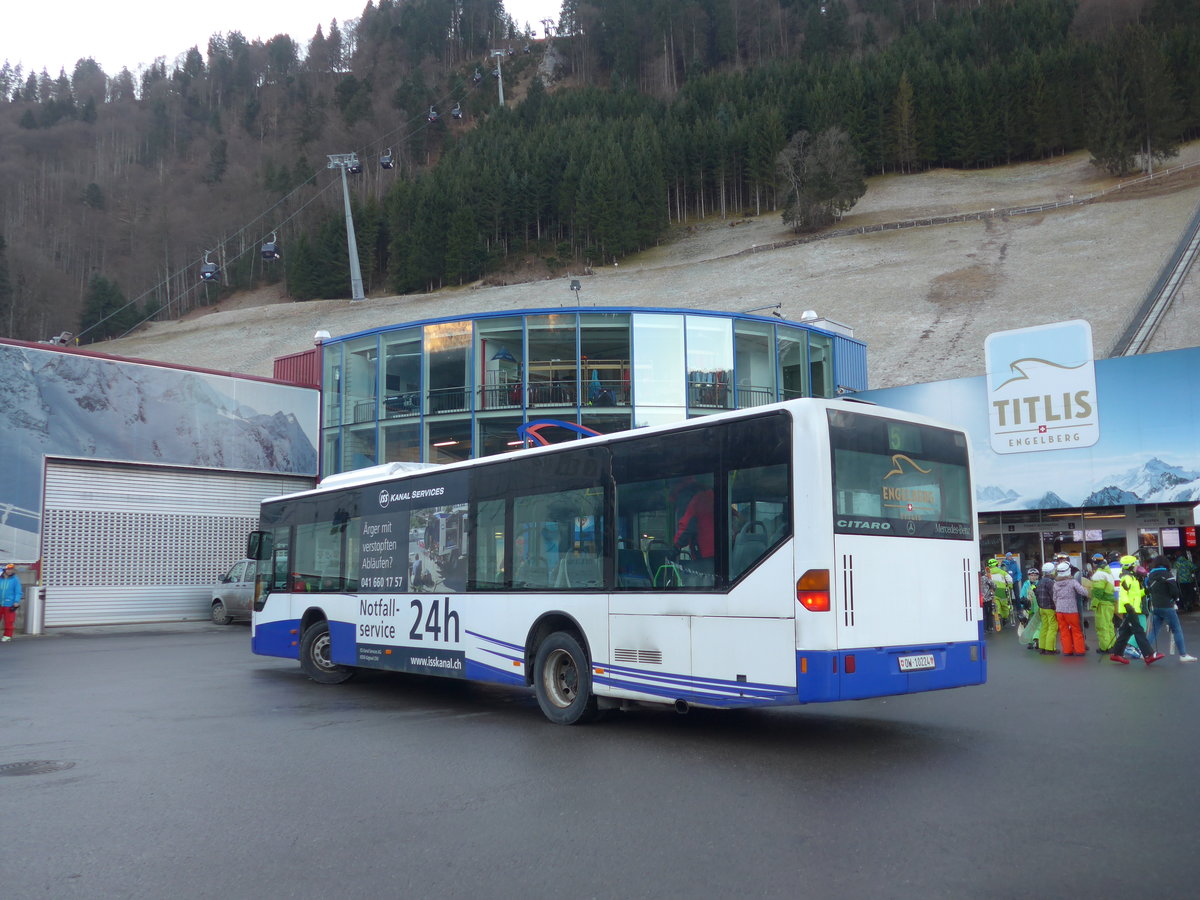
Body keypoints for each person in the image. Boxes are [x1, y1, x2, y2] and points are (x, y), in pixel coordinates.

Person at [1110, 555, 1162, 666]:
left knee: (1125, 633)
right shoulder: (1127, 578)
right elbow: (1123, 593)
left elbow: (1135, 594)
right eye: (1135, 564)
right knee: (1139, 631)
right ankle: (1149, 655)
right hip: (1130, 609)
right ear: (1130, 566)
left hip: (1132, 608)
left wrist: (1145, 591)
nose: (1137, 566)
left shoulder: (1132, 577)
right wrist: (1128, 606)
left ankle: (1116, 654)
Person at [1145, 555, 1197, 662]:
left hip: (1155, 607)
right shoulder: (1168, 574)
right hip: (1167, 607)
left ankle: (1144, 652)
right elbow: (1175, 591)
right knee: (1176, 629)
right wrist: (1174, 600)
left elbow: (1148, 589)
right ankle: (1183, 655)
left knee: (1153, 631)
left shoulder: (1150, 575)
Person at [1052, 561, 1089, 656]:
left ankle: (1067, 651)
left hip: (1059, 610)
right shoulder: (1072, 582)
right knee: (1076, 630)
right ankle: (1079, 651)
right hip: (1071, 610)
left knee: (1064, 631)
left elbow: (1054, 598)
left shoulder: (1055, 584)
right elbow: (1083, 592)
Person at [1088, 552, 1117, 655]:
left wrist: (1094, 604)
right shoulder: (1108, 572)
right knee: (1109, 625)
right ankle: (1112, 645)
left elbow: (1098, 592)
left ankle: (1105, 648)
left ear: (1094, 563)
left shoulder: (1099, 574)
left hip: (1102, 603)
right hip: (1109, 602)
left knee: (1102, 626)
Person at [1035, 562, 1059, 655]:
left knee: (1044, 627)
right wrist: (1056, 606)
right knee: (1052, 627)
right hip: (1050, 608)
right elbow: (1054, 596)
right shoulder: (1050, 582)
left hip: (1042, 608)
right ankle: (1050, 648)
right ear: (1051, 571)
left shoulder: (1040, 581)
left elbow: (1036, 594)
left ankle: (1042, 647)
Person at [1, 563, 22, 642]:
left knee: (9, 621)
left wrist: (16, 601)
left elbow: (18, 591)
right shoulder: (0, 578)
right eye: (8, 569)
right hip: (0, 603)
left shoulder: (15, 579)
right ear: (4, 570)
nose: (9, 571)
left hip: (9, 604)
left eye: (11, 569)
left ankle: (7, 636)